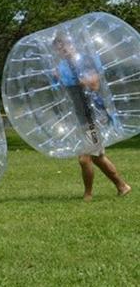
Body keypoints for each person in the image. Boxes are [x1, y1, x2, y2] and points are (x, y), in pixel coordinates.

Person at [52, 32, 131, 201]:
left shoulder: (85, 61)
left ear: (72, 45)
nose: (62, 50)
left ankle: (88, 195)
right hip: (82, 116)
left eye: (64, 46)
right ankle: (122, 186)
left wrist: (73, 80)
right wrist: (59, 79)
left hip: (95, 115)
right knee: (97, 157)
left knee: (84, 158)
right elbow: (60, 92)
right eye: (58, 48)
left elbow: (94, 85)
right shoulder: (62, 68)